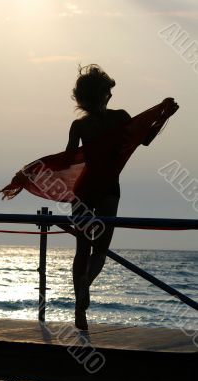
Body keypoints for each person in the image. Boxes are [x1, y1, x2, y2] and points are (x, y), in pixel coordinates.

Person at [66, 64, 179, 330]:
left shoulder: (79, 126)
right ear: (102, 94)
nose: (111, 96)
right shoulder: (120, 118)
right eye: (108, 92)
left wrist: (37, 174)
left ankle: (78, 310)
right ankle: (87, 283)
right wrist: (163, 116)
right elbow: (146, 139)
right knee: (100, 251)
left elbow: (69, 161)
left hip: (83, 190)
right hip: (108, 189)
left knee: (81, 250)